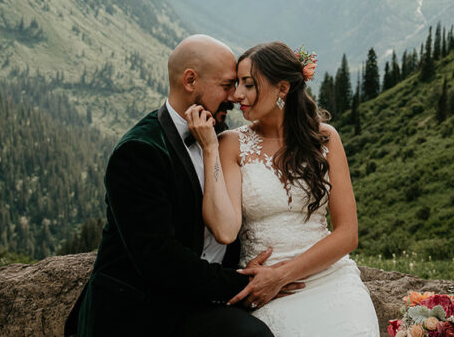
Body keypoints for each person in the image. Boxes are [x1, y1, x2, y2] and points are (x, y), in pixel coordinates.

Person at [65, 35, 298, 337]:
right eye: (228, 85)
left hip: (203, 303)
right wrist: (246, 282)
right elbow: (160, 260)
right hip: (142, 308)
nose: (236, 96)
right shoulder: (139, 151)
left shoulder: (224, 136)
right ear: (190, 81)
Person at [185, 41, 380, 336]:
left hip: (332, 281)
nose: (237, 95)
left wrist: (282, 274)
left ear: (283, 89)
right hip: (269, 292)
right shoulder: (231, 145)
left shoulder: (325, 139)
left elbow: (347, 233)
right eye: (237, 84)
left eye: (248, 85)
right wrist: (210, 148)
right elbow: (225, 231)